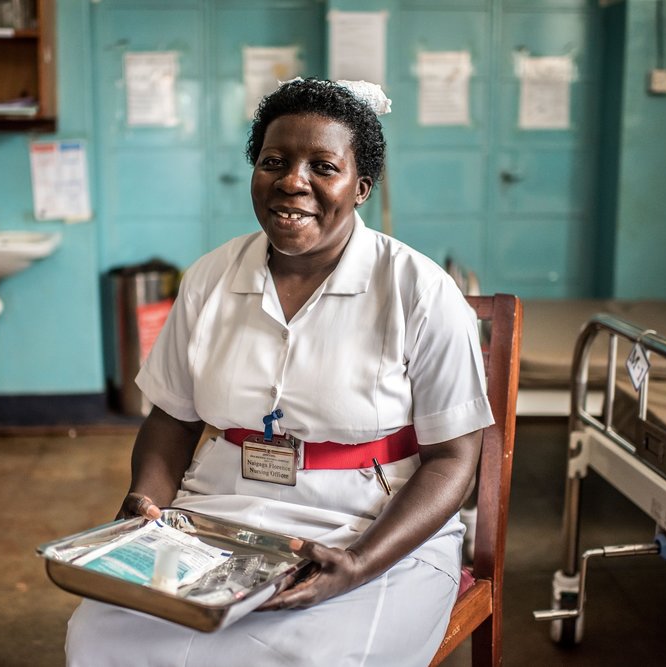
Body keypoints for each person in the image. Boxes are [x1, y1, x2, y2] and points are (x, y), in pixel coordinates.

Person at [66, 77, 494, 667]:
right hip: (219, 517)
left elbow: (453, 460)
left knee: (313, 654)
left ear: (361, 186)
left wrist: (360, 565)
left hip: (370, 526)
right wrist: (145, 500)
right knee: (102, 634)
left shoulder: (419, 291)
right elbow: (172, 418)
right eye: (274, 161)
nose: (293, 181)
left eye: (323, 166)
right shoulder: (210, 279)